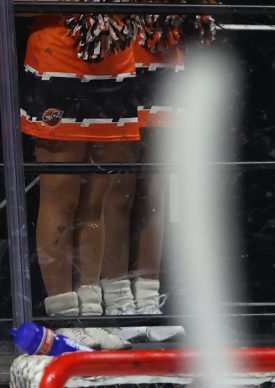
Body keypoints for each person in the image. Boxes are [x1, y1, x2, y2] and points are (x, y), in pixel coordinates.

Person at [21, 10, 140, 349]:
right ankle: (65, 318)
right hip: (58, 55)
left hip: (115, 57)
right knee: (61, 196)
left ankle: (90, 315)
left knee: (95, 201)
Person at [100, 14, 195, 343]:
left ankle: (148, 301)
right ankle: (117, 303)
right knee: (119, 189)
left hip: (163, 50)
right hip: (119, 48)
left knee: (156, 190)